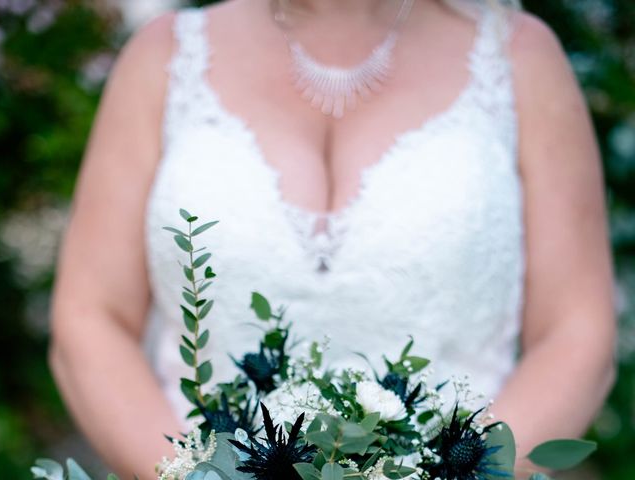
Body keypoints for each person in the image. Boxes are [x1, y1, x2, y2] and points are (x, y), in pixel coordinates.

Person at [48, 0, 617, 478]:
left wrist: (456, 473)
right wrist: (194, 473)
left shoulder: (520, 57)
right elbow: (91, 317)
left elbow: (576, 331)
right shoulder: (164, 56)